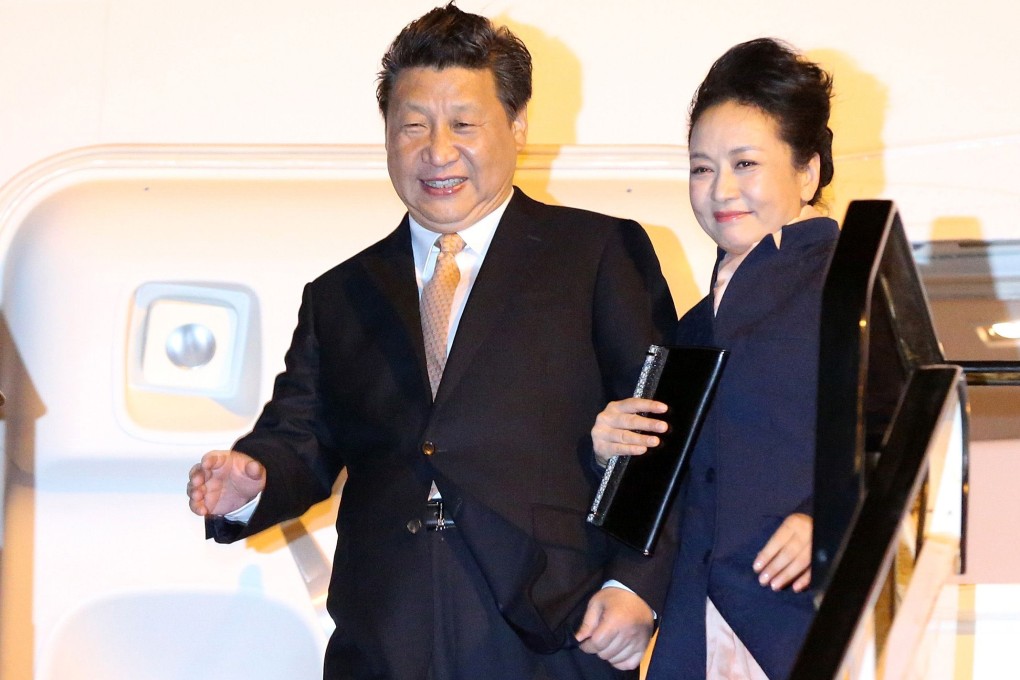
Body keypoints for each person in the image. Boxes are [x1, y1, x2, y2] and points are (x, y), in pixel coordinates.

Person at [186, 4, 678, 679]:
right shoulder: (339, 294)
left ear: (518, 125)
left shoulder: (595, 253)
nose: (437, 151)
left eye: (464, 124)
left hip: (555, 634)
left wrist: (636, 588)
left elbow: (665, 438)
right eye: (413, 125)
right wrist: (254, 478)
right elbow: (301, 436)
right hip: (386, 639)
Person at [591, 38, 838, 680]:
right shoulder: (694, 326)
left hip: (798, 622)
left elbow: (907, 437)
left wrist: (831, 519)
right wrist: (608, 447)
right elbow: (666, 498)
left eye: (746, 162)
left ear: (808, 171)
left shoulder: (852, 289)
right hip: (693, 629)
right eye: (702, 168)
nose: (720, 188)